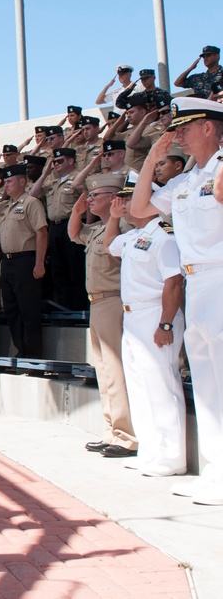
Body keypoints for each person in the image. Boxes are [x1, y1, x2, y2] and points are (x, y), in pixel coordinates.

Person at [131, 97, 223, 505]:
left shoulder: (220, 168)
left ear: (209, 128)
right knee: (205, 385)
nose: (178, 134)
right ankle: (214, 471)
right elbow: (138, 209)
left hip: (220, 276)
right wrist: (153, 156)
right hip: (195, 283)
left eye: (186, 126)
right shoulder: (184, 182)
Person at [107, 187, 186, 477]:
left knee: (162, 385)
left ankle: (172, 457)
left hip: (155, 314)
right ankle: (151, 451)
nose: (124, 204)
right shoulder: (132, 236)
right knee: (140, 387)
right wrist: (114, 218)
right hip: (133, 317)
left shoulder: (163, 236)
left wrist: (165, 324)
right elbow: (110, 246)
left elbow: (174, 283)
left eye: (128, 199)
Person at [69, 174, 137, 458]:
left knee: (115, 369)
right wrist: (77, 211)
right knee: (103, 370)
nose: (91, 199)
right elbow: (74, 235)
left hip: (113, 300)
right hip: (96, 303)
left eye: (97, 195)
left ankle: (126, 436)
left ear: (114, 198)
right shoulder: (96, 228)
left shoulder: (123, 225)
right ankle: (111, 430)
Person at [0, 164, 48, 358]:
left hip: (26, 260)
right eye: (4, 182)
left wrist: (39, 263)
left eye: (8, 181)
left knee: (28, 310)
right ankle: (21, 350)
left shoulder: (31, 202)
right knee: (12, 310)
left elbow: (41, 233)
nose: (5, 185)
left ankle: (33, 355)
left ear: (22, 182)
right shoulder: (4, 206)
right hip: (7, 263)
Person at [31, 148, 87, 310]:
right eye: (54, 162)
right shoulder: (51, 182)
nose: (56, 164)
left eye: (60, 161)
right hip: (54, 227)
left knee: (75, 269)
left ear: (71, 161)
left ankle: (79, 310)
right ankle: (64, 310)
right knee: (58, 270)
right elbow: (34, 193)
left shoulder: (79, 178)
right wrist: (45, 173)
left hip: (72, 224)